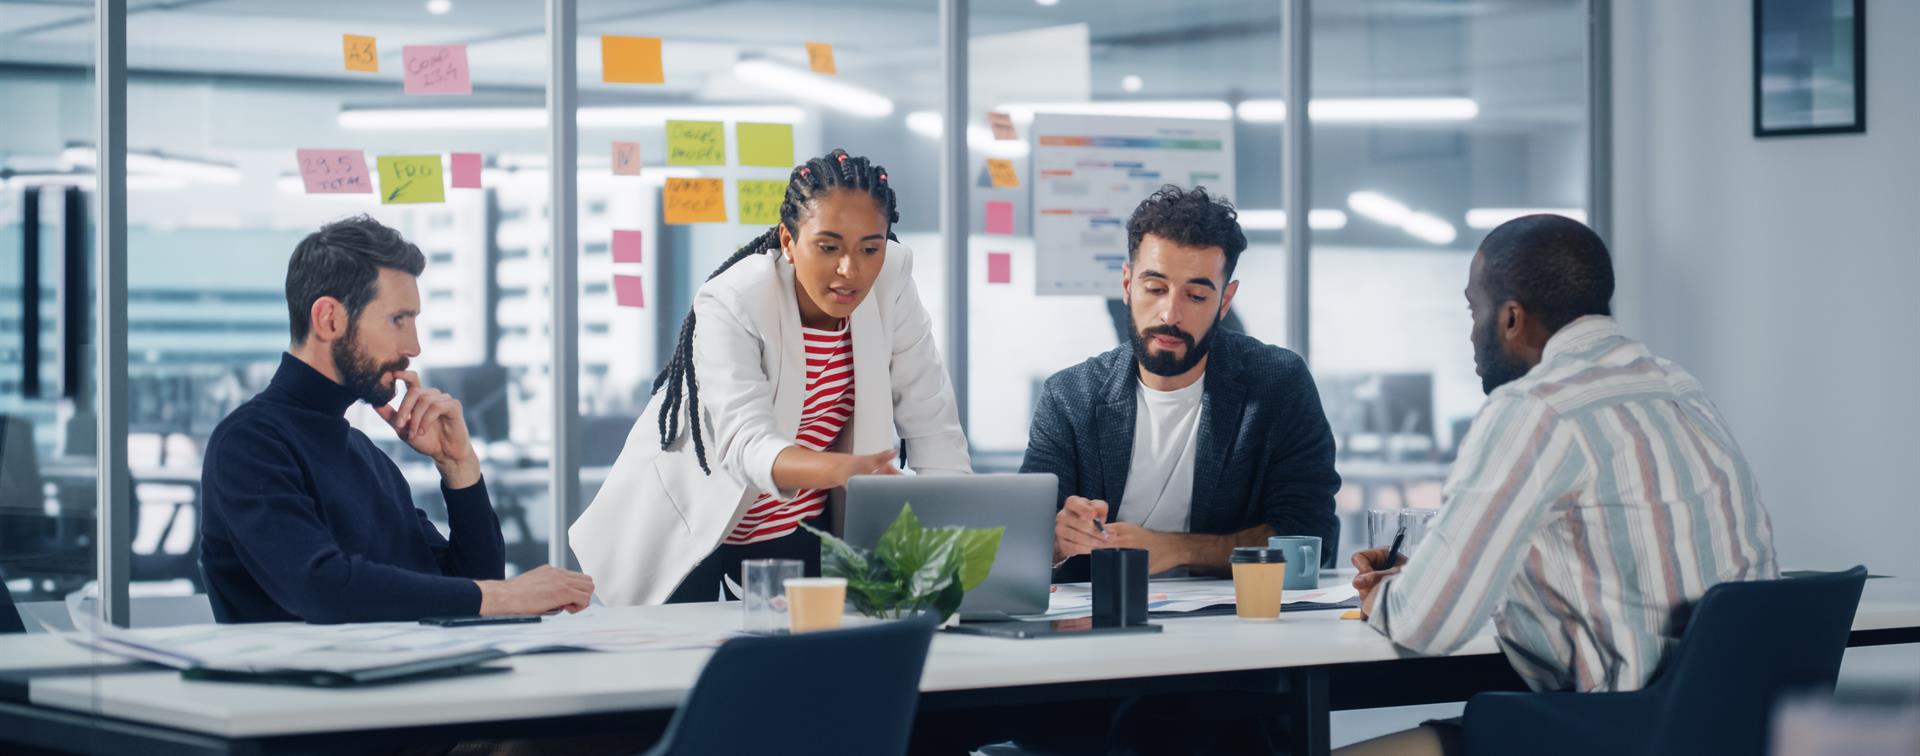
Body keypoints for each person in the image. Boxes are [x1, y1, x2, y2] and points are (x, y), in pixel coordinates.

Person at [1338, 215, 1779, 756]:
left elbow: (1426, 626)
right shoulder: (1678, 388)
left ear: (1511, 318)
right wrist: (1434, 574)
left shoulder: (1536, 407)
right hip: (1728, 733)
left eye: (1473, 310)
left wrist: (1384, 593)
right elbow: (1610, 554)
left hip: (1614, 734)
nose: (1471, 332)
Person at [571, 149, 970, 606]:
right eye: (828, 246)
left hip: (798, 529)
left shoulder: (892, 279)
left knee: (810, 666)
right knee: (687, 668)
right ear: (788, 239)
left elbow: (932, 421)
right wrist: (841, 470)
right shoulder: (734, 300)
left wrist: (959, 550)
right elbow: (746, 443)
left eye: (869, 248)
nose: (850, 270)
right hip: (691, 527)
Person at [199, 215, 594, 624]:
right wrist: (508, 595)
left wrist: (459, 469)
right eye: (398, 320)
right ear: (329, 318)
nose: (414, 346)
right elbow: (321, 588)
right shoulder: (250, 444)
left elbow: (467, 589)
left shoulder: (365, 455)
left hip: (396, 685)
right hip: (297, 687)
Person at [1021, 185, 1340, 580]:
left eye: (1195, 295)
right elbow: (1024, 541)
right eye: (1154, 289)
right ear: (1126, 285)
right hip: (1097, 626)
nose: (1170, 313)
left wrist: (1174, 549)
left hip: (1235, 624)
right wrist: (1059, 539)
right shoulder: (1069, 397)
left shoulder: (1277, 384)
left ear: (1225, 301)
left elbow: (1311, 537)